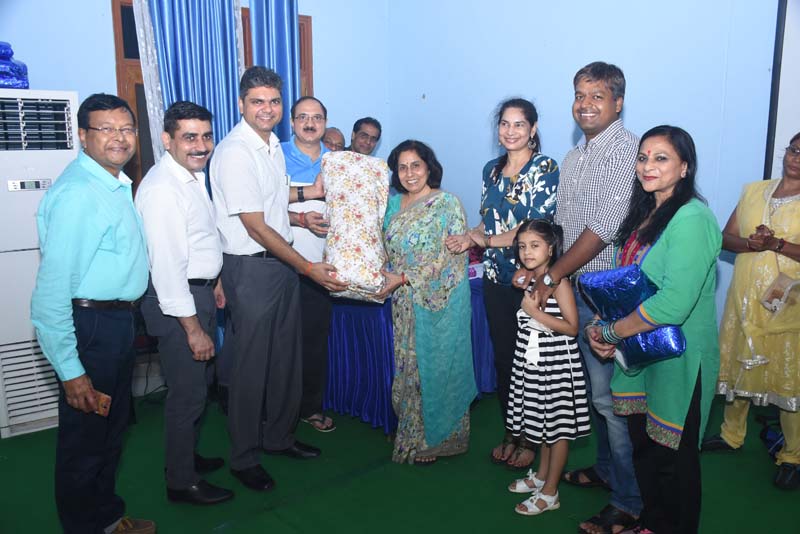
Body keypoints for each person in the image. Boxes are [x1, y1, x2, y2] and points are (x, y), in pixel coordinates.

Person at [210, 66, 348, 492]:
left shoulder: (270, 145)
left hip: (279, 264)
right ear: (241, 104)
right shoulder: (236, 151)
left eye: (273, 101)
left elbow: (271, 197)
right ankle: (244, 457)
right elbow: (255, 224)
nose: (266, 109)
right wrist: (306, 267)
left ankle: (279, 437)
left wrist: (308, 196)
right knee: (251, 368)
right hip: (253, 267)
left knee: (286, 360)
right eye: (257, 102)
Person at [525, 62, 642, 534]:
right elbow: (563, 228)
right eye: (579, 94)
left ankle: (629, 502)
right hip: (576, 288)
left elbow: (603, 229)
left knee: (613, 401)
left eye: (597, 96)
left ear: (618, 102)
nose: (585, 104)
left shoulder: (626, 150)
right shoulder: (575, 156)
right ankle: (607, 470)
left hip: (607, 293)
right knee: (596, 396)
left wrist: (551, 275)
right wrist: (539, 266)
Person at [587, 125, 721, 534]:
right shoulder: (644, 215)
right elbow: (624, 285)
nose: (648, 166)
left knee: (673, 459)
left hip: (679, 358)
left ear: (685, 168)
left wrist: (613, 333)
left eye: (661, 158)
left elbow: (674, 303)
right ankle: (651, 523)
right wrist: (601, 325)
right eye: (643, 157)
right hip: (641, 353)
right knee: (645, 450)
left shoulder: (692, 218)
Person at [30, 93, 154, 533]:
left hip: (114, 323)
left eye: (127, 129)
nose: (119, 138)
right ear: (83, 136)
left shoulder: (110, 183)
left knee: (108, 434)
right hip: (91, 328)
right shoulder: (80, 193)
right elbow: (50, 295)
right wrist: (70, 371)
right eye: (106, 129)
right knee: (86, 442)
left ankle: (106, 519)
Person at [445, 98, 559, 469]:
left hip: (531, 280)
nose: (511, 131)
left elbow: (535, 228)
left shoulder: (545, 167)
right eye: (505, 124)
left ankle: (533, 438)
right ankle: (512, 431)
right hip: (496, 279)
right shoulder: (491, 170)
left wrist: (487, 240)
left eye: (519, 124)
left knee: (533, 362)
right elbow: (488, 222)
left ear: (533, 129)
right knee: (505, 360)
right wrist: (469, 237)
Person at [136, 101, 233, 505]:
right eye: (189, 137)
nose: (201, 145)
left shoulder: (190, 177)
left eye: (207, 136)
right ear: (167, 139)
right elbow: (168, 269)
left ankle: (186, 458)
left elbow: (199, 240)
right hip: (178, 304)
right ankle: (181, 482)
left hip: (198, 293)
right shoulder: (163, 189)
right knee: (188, 394)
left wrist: (215, 280)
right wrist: (192, 330)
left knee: (199, 385)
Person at [703, 131, 800, 491]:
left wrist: (778, 244)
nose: (796, 158)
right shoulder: (754, 192)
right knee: (740, 361)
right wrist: (751, 243)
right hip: (744, 295)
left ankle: (793, 456)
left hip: (787, 302)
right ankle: (731, 434)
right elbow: (724, 238)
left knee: (786, 375)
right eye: (794, 150)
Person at [377, 140, 477, 464]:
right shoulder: (393, 205)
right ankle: (412, 428)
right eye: (402, 167)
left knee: (437, 367)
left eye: (416, 165)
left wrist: (405, 277)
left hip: (440, 301)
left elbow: (452, 260)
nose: (409, 173)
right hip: (403, 301)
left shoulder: (446, 204)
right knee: (409, 367)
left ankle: (439, 439)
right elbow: (382, 248)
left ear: (428, 167)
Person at [505, 219, 589, 516]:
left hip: (556, 366)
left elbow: (572, 328)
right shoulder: (532, 279)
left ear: (551, 249)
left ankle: (551, 491)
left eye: (535, 245)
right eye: (522, 246)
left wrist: (534, 313)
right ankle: (541, 476)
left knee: (558, 430)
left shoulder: (560, 283)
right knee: (542, 425)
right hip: (534, 363)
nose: (527, 252)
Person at [282, 96, 336, 433]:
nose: (310, 123)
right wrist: (300, 219)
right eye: (302, 117)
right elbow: (260, 210)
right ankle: (276, 410)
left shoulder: (336, 162)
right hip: (280, 264)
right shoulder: (275, 156)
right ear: (291, 122)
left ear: (325, 123)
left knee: (314, 341)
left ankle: (310, 407)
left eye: (317, 117)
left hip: (320, 268)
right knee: (278, 343)